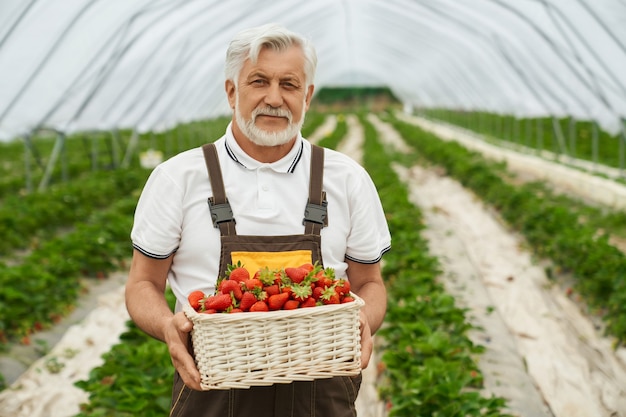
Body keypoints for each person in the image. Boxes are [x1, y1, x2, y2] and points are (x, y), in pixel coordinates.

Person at [125, 23, 391, 417]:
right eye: (258, 81)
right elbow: (143, 283)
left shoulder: (347, 179)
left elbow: (369, 282)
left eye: (289, 84)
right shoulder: (177, 178)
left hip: (322, 396)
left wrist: (363, 320)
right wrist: (167, 325)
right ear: (232, 91)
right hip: (213, 391)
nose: (274, 98)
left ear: (308, 95)